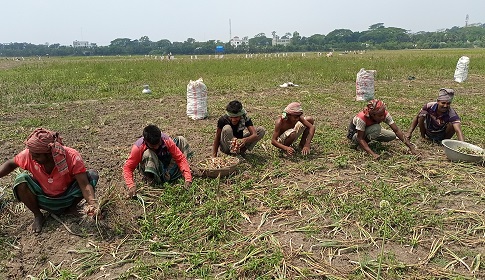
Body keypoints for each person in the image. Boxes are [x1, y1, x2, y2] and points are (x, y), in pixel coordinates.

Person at [0, 128, 99, 233]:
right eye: (32, 154)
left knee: (92, 175)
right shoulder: (30, 155)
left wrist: (93, 205)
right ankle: (38, 215)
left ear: (49, 154)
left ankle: (71, 208)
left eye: (37, 155)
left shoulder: (72, 156)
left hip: (67, 196)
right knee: (21, 180)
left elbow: (84, 185)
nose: (33, 158)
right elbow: (11, 163)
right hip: (44, 199)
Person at [123, 124, 192, 198]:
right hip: (152, 168)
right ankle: (153, 182)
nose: (156, 147)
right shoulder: (138, 147)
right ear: (145, 141)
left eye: (158, 144)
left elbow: (180, 158)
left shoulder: (166, 140)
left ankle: (180, 172)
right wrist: (131, 185)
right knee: (148, 153)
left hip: (165, 165)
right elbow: (128, 168)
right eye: (153, 145)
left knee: (180, 139)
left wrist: (188, 179)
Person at [347, 99, 418, 160]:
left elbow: (396, 130)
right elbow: (360, 138)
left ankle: (370, 139)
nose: (383, 117)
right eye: (380, 115)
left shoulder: (384, 114)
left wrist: (410, 146)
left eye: (383, 114)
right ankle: (361, 146)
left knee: (392, 135)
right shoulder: (362, 118)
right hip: (356, 135)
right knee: (376, 128)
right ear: (373, 115)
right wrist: (373, 154)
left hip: (370, 130)